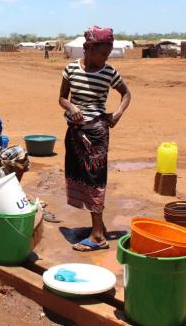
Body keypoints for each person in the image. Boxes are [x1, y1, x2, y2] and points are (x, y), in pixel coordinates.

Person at [59, 26, 131, 252]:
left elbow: (127, 94)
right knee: (83, 177)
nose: (105, 58)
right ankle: (96, 226)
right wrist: (71, 106)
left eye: (108, 53)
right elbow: (62, 98)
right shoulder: (70, 69)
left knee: (95, 179)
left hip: (97, 133)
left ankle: (98, 235)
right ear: (87, 49)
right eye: (102, 53)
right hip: (75, 133)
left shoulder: (109, 72)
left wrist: (117, 114)